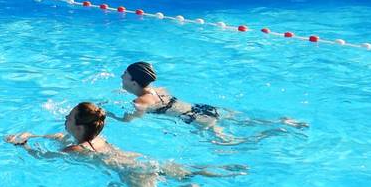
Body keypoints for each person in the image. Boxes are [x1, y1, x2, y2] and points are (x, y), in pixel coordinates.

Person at [5, 103, 244, 187]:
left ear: (77, 127)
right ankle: (218, 170)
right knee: (186, 171)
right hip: (139, 160)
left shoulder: (75, 149)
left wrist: (23, 146)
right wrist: (35, 135)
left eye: (68, 117)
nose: (64, 118)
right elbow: (60, 136)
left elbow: (45, 157)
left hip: (132, 173)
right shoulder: (96, 139)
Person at [117, 61, 302, 143]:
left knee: (234, 143)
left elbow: (128, 121)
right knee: (246, 121)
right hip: (204, 109)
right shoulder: (159, 90)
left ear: (134, 82)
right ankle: (281, 121)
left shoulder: (140, 102)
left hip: (197, 120)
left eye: (125, 74)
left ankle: (274, 131)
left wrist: (110, 115)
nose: (121, 76)